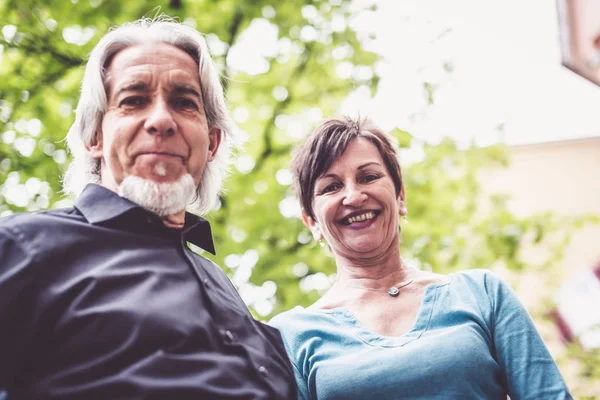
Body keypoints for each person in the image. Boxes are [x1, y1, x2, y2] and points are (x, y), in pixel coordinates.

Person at [0, 17, 296, 399]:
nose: (160, 120)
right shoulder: (24, 247)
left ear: (212, 143)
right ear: (94, 135)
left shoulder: (224, 289)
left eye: (184, 103)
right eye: (133, 100)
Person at [269, 116, 573, 399]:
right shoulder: (289, 337)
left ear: (400, 195)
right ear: (311, 221)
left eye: (369, 176)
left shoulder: (481, 294)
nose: (354, 196)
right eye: (332, 186)